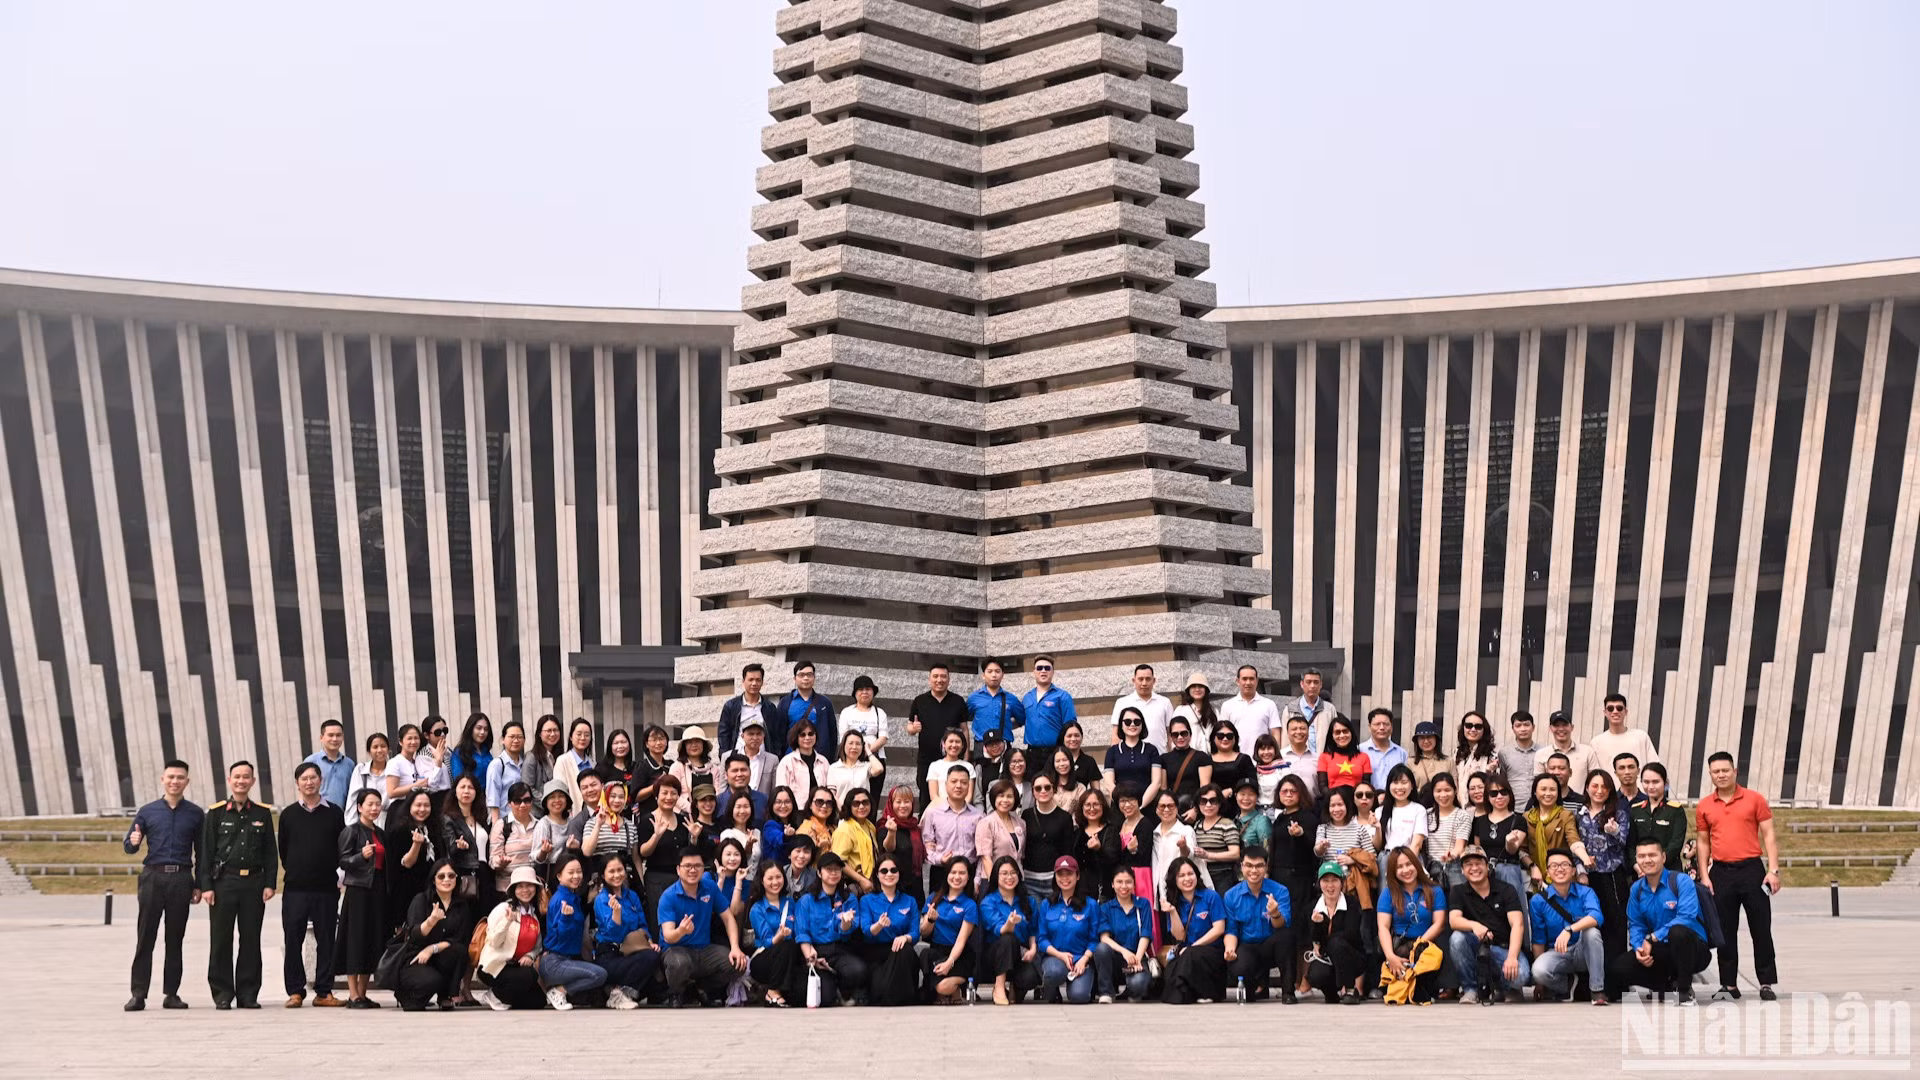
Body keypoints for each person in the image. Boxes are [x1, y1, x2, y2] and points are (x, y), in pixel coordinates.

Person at [1697, 750, 1781, 1001]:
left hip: (1752, 871)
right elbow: (1703, 843)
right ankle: (1728, 984)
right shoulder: (1704, 805)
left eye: (1725, 770)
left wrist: (1773, 870)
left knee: (1761, 928)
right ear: (1710, 775)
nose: (1721, 775)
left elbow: (1769, 836)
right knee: (1724, 930)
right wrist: (1705, 875)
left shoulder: (1754, 799)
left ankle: (1766, 982)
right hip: (1721, 872)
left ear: (1735, 771)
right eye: (1716, 771)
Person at [124, 759, 203, 1012]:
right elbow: (128, 845)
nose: (175, 781)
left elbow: (202, 852)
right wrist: (134, 841)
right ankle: (138, 994)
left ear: (187, 782)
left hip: (181, 878)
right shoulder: (147, 811)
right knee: (145, 936)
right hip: (153, 877)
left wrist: (199, 884)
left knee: (175, 938)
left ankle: (171, 993)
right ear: (162, 779)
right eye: (171, 777)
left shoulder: (195, 813)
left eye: (180, 777)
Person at [201, 760, 276, 1010]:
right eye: (237, 777)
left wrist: (270, 883)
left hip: (254, 882)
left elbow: (269, 853)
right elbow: (206, 851)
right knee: (221, 939)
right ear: (230, 780)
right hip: (224, 882)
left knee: (251, 939)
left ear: (253, 781)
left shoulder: (262, 813)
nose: (241, 781)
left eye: (246, 777)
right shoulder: (217, 812)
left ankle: (248, 993)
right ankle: (222, 993)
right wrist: (207, 886)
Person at [276, 761, 344, 1008]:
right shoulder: (289, 814)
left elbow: (341, 848)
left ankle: (324, 991)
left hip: (326, 887)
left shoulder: (334, 813)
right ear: (297, 783)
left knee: (327, 939)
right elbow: (283, 849)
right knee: (293, 939)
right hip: (295, 888)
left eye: (313, 777)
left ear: (320, 781)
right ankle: (295, 991)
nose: (309, 782)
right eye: (304, 778)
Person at [1610, 836, 1708, 1006]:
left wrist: (1652, 938)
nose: (1647, 860)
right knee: (1619, 968)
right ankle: (1668, 986)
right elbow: (1636, 924)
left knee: (1678, 931)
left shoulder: (1681, 881)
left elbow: (1686, 918)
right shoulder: (1637, 889)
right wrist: (1639, 948)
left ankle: (1684, 991)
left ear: (1663, 857)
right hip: (1661, 949)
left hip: (1692, 949)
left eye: (1652, 855)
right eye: (1641, 856)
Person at [659, 849, 749, 1004]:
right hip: (676, 949)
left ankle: (699, 988)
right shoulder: (668, 896)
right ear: (678, 870)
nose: (692, 870)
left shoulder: (710, 887)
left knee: (739, 964)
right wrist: (681, 931)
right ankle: (676, 992)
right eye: (687, 866)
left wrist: (735, 947)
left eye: (697, 866)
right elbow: (668, 935)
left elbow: (728, 918)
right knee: (679, 964)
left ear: (703, 869)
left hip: (704, 949)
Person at [1574, 768, 1635, 994]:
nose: (1599, 791)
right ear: (1587, 787)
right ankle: (1586, 984)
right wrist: (1580, 867)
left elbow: (1624, 844)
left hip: (1612, 876)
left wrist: (1614, 832)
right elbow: (1573, 843)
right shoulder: (1579, 814)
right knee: (1588, 927)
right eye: (1595, 786)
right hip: (1587, 878)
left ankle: (1615, 984)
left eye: (1604, 787)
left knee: (1615, 928)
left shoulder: (1617, 813)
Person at [1448, 845, 1530, 1004]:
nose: (1474, 868)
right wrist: (1474, 926)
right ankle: (1470, 990)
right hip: (1477, 949)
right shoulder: (1458, 891)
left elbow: (1518, 924)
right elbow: (1454, 920)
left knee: (1521, 975)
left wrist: (1512, 957)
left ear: (1487, 866)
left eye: (1478, 863)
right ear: (1463, 871)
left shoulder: (1506, 889)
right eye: (1468, 865)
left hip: (1504, 949)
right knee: (1457, 938)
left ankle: (1504, 987)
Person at [1528, 847, 1606, 1004]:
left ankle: (1597, 991)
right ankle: (1568, 985)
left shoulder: (1586, 892)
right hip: (1557, 953)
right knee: (1538, 970)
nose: (1560, 869)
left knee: (1591, 932)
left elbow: (1596, 916)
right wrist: (1540, 984)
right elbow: (1538, 939)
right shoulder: (1538, 901)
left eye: (1564, 865)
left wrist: (1570, 930)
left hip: (1582, 950)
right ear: (1547, 873)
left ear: (1573, 871)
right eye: (1554, 866)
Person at [334, 788, 387, 1008]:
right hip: (358, 891)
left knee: (372, 939)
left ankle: (364, 993)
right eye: (369, 804)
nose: (374, 808)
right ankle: (353, 994)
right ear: (359, 807)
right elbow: (343, 861)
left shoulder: (381, 832)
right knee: (355, 940)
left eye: (377, 804)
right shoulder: (352, 831)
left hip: (377, 891)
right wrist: (360, 856)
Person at [395, 860, 471, 1011]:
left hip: (438, 955)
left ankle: (445, 996)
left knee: (460, 952)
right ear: (433, 880)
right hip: (416, 957)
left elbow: (461, 939)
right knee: (417, 1002)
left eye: (451, 875)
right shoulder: (421, 900)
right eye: (441, 876)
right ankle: (406, 994)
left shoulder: (461, 906)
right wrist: (431, 921)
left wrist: (432, 948)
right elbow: (414, 935)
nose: (446, 880)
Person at [536, 852, 608, 1010]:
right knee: (599, 974)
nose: (576, 876)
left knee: (597, 992)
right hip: (555, 962)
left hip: (567, 960)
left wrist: (591, 901)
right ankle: (559, 992)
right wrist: (565, 919)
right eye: (571, 872)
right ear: (559, 876)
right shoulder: (561, 900)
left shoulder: (572, 897)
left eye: (579, 871)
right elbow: (560, 935)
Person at [1376, 846, 1446, 1006]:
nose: (1405, 870)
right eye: (1399, 867)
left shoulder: (1434, 890)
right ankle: (1406, 988)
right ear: (1393, 871)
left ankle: (1416, 989)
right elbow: (1383, 927)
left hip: (1425, 943)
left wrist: (1418, 946)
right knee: (1397, 990)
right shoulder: (1388, 893)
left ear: (1417, 864)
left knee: (1431, 955)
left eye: (1409, 864)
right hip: (1400, 945)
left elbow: (1439, 923)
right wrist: (1390, 956)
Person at [796, 851, 867, 1005]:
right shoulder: (806, 900)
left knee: (858, 970)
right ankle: (832, 987)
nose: (834, 873)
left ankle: (843, 989)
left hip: (839, 950)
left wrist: (845, 923)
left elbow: (849, 930)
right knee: (825, 999)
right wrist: (810, 956)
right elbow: (802, 933)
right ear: (819, 873)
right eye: (829, 869)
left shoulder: (849, 899)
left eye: (837, 869)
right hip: (816, 951)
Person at [472, 865, 547, 1011]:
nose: (525, 890)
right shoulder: (502, 909)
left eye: (529, 886)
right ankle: (494, 995)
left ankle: (506, 998)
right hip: (495, 966)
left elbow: (537, 946)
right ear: (513, 889)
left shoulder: (533, 915)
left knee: (538, 1001)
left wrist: (530, 956)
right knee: (529, 975)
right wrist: (507, 922)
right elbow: (494, 941)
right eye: (520, 886)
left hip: (517, 968)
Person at [590, 856, 661, 1010]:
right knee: (649, 959)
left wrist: (649, 942)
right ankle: (618, 994)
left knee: (656, 963)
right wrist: (616, 913)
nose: (617, 875)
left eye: (619, 870)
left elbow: (642, 924)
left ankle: (617, 990)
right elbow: (613, 933)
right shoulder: (601, 899)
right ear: (603, 875)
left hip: (632, 950)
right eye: (611, 871)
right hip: (610, 954)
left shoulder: (632, 896)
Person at [1223, 846, 1293, 1001]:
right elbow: (1231, 930)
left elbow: (1283, 925)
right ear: (1242, 866)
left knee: (1286, 936)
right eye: (1249, 865)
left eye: (1259, 866)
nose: (1253, 871)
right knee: (1240, 968)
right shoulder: (1231, 895)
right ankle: (1258, 986)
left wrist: (1275, 913)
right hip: (1247, 946)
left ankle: (1288, 992)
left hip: (1271, 946)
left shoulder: (1280, 891)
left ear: (1266, 866)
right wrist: (1230, 949)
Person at [1160, 856, 1227, 1004]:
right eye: (1181, 875)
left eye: (1190, 874)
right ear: (1174, 880)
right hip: (1187, 954)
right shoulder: (1174, 902)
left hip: (1211, 953)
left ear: (1197, 875)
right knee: (1173, 968)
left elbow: (1219, 929)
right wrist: (1172, 912)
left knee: (1191, 956)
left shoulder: (1211, 896)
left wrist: (1193, 947)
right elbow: (1179, 936)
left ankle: (1207, 991)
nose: (1187, 879)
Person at [978, 855, 1042, 1005]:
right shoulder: (988, 902)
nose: (1009, 877)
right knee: (1008, 938)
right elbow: (1000, 930)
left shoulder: (1028, 901)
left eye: (1013, 873)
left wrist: (1032, 949)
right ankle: (999, 986)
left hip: (1020, 955)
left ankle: (1014, 989)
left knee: (1032, 977)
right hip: (995, 956)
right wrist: (1010, 923)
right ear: (996, 876)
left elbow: (1033, 930)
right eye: (1004, 873)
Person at [859, 854, 922, 1005]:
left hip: (901, 951)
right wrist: (879, 925)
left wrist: (904, 937)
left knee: (904, 950)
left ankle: (897, 996)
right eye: (884, 871)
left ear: (899, 873)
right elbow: (866, 931)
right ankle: (901, 996)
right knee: (879, 990)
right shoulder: (866, 900)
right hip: (877, 953)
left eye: (894, 870)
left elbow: (915, 932)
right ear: (877, 875)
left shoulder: (909, 901)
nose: (889, 874)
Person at [1036, 856, 1098, 1004]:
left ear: (1077, 876)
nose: (1064, 878)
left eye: (1069, 874)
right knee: (1053, 973)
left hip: (1081, 959)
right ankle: (1051, 990)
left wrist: (1084, 959)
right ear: (1055, 877)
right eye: (1060, 874)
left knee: (1079, 997)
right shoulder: (1047, 904)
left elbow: (1094, 939)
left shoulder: (1090, 904)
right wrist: (1060, 955)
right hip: (1055, 958)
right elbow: (1042, 939)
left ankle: (1082, 983)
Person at [908, 662, 970, 806]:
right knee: (926, 797)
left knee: (954, 793)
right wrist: (913, 728)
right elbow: (910, 725)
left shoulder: (958, 701)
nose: (939, 680)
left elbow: (964, 729)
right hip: (926, 759)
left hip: (953, 758)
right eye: (935, 676)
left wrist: (966, 755)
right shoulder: (920, 701)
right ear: (929, 679)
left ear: (949, 679)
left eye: (943, 676)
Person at [1304, 859, 1366, 1004]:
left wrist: (1322, 942)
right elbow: (1312, 940)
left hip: (1352, 956)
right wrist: (1317, 925)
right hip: (1327, 959)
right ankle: (1331, 993)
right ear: (1319, 883)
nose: (1330, 886)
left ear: (1342, 883)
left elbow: (1351, 934)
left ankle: (1350, 989)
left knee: (1336, 943)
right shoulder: (1312, 907)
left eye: (1334, 880)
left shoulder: (1352, 903)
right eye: (1325, 881)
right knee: (1315, 975)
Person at [919, 856, 979, 1003]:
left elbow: (961, 940)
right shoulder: (934, 898)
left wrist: (949, 963)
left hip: (958, 955)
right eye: (953, 872)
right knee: (925, 955)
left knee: (943, 987)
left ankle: (953, 989)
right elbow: (923, 932)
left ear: (968, 877)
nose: (957, 877)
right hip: (937, 951)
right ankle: (945, 992)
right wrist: (931, 920)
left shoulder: (969, 905)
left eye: (962, 873)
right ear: (947, 875)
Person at [747, 861, 805, 1007]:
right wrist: (778, 937)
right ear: (762, 880)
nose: (775, 882)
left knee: (801, 993)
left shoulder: (790, 903)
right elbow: (765, 941)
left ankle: (779, 992)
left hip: (789, 958)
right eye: (770, 878)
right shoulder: (757, 908)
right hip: (764, 959)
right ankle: (772, 991)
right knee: (787, 945)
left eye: (778, 877)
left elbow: (799, 930)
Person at [1094, 865, 1155, 1002]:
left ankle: (1132, 988)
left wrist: (1137, 958)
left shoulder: (1143, 904)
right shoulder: (1105, 908)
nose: (1124, 886)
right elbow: (1104, 938)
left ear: (1134, 884)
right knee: (1101, 949)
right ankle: (1106, 992)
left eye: (1128, 882)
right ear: (1112, 885)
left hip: (1138, 956)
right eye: (1119, 882)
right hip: (1116, 959)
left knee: (1139, 985)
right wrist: (1124, 952)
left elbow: (1145, 934)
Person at [920, 765, 983, 897]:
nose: (958, 786)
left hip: (969, 872)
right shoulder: (933, 813)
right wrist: (939, 859)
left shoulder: (978, 816)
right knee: (937, 913)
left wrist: (977, 879)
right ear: (946, 784)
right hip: (941, 871)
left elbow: (982, 852)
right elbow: (927, 846)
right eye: (954, 781)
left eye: (964, 782)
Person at [1467, 779, 1530, 902]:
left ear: (1510, 794)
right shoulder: (1480, 821)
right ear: (1488, 797)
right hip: (1484, 871)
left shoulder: (1518, 820)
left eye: (1503, 792)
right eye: (1494, 793)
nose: (1499, 796)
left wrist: (1509, 841)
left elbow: (1512, 850)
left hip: (1509, 869)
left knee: (1512, 910)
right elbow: (1477, 850)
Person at [437, 773, 492, 914]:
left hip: (484, 871)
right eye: (462, 787)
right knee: (467, 915)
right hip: (463, 872)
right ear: (455, 791)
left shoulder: (482, 816)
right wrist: (459, 846)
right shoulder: (449, 818)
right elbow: (450, 846)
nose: (466, 791)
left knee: (484, 916)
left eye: (470, 787)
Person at [1523, 772, 1586, 890]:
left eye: (1552, 789)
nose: (1548, 793)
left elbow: (1573, 839)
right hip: (1534, 877)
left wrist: (1584, 856)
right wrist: (1532, 866)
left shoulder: (1566, 815)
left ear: (1558, 793)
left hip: (1561, 876)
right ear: (1535, 793)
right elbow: (1522, 850)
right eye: (1543, 789)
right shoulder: (1526, 817)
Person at [384, 790, 436, 927]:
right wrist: (416, 845)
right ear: (409, 806)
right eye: (418, 805)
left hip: (428, 889)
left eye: (426, 805)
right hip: (406, 890)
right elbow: (406, 863)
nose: (422, 809)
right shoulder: (400, 830)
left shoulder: (433, 828)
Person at [1631, 762, 1691, 873]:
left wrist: (1654, 866)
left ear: (1665, 783)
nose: (1650, 786)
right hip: (1641, 872)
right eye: (1646, 782)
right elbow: (1630, 844)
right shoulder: (1636, 810)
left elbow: (1675, 844)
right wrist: (1638, 866)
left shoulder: (1675, 810)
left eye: (1656, 782)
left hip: (1668, 871)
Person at [1022, 775, 1075, 900]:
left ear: (1054, 789)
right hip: (1030, 879)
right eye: (1038, 788)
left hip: (1054, 880)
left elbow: (1067, 851)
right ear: (1033, 792)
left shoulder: (1065, 817)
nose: (1043, 791)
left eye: (1047, 787)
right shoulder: (1026, 815)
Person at [580, 777, 642, 882]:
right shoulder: (592, 823)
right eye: (612, 796)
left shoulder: (630, 826)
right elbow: (586, 852)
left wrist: (641, 884)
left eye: (621, 797)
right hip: (600, 880)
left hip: (624, 881)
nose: (617, 800)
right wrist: (598, 825)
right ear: (605, 797)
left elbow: (636, 859)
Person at [771, 659, 838, 756]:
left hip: (818, 758)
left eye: (809, 675)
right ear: (795, 678)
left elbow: (832, 733)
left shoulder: (824, 703)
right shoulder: (785, 703)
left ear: (814, 677)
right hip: (791, 756)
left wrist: (829, 758)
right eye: (801, 675)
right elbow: (777, 733)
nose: (806, 678)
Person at [839, 674, 890, 798]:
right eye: (861, 689)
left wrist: (867, 751)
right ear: (855, 693)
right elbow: (843, 737)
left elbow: (883, 738)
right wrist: (857, 752)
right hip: (851, 760)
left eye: (868, 689)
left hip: (875, 759)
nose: (864, 692)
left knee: (873, 796)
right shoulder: (847, 712)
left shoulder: (879, 713)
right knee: (851, 795)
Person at [1021, 655, 1077, 765]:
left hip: (1055, 751)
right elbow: (1019, 719)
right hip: (1032, 753)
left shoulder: (1063, 696)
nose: (1043, 671)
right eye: (1039, 668)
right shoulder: (1027, 697)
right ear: (1034, 672)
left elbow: (1070, 726)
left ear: (1052, 672)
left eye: (1047, 668)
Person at [1103, 706, 1164, 807]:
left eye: (1137, 722)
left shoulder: (1151, 750)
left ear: (1142, 724)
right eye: (1127, 722)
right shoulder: (1112, 751)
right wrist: (1124, 804)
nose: (1132, 724)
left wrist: (1140, 805)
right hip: (1120, 808)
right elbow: (1109, 783)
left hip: (1147, 806)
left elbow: (1156, 782)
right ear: (1121, 725)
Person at [1590, 692, 1661, 775]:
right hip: (1610, 788)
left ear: (1626, 711)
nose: (1615, 711)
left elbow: (1655, 767)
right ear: (1605, 712)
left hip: (1639, 787)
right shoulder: (1596, 742)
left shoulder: (1640, 736)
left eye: (1619, 708)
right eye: (1610, 708)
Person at [1148, 790, 1198, 907]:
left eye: (1170, 806)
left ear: (1176, 808)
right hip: (1161, 890)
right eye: (1162, 806)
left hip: (1182, 888)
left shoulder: (1186, 830)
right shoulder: (1154, 833)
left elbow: (1190, 856)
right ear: (1156, 809)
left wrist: (1183, 847)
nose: (1166, 810)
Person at [1110, 663, 1175, 751]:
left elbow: (1171, 733)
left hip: (1160, 757)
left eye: (1148, 679)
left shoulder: (1164, 702)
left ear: (1154, 680)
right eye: (1140, 679)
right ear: (1134, 681)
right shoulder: (1122, 703)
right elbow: (1116, 735)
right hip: (1130, 759)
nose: (1144, 683)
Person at [489, 780, 540, 893]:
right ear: (509, 803)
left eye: (527, 800)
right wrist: (500, 862)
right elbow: (493, 860)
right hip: (507, 889)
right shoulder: (501, 826)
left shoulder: (539, 825)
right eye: (517, 801)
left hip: (533, 888)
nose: (522, 805)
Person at [1424, 773, 1473, 886]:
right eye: (1438, 791)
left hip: (1454, 866)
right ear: (1433, 792)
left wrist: (1452, 855)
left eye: (1447, 790)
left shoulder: (1462, 815)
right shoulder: (1426, 815)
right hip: (1431, 867)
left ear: (1455, 791)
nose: (1443, 795)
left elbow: (1460, 846)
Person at [1191, 784, 1242, 892]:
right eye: (1203, 801)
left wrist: (1209, 855)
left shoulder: (1227, 824)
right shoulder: (1197, 825)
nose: (1208, 805)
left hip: (1223, 875)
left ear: (1220, 803)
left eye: (1213, 801)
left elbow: (1235, 854)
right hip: (1201, 875)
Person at [878, 785, 925, 901]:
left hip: (915, 889)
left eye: (907, 801)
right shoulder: (884, 825)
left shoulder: (915, 827)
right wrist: (892, 832)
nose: (903, 806)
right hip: (894, 889)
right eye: (898, 802)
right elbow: (888, 849)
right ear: (891, 803)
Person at [966, 659, 1026, 749]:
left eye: (997, 671)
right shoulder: (973, 698)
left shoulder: (1011, 699)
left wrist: (1008, 724)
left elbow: (1022, 719)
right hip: (981, 745)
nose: (993, 675)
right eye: (989, 672)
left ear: (1002, 675)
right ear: (983, 675)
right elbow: (965, 717)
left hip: (1004, 745)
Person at [1074, 788, 1122, 901]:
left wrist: (1099, 849)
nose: (1092, 809)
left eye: (1096, 804)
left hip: (1102, 892)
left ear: (1103, 806)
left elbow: (1114, 860)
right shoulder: (1077, 832)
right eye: (1087, 805)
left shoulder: (1111, 831)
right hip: (1079, 890)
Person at [716, 661, 771, 756]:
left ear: (762, 682)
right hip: (737, 756)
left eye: (758, 680)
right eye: (750, 679)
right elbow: (723, 734)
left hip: (763, 757)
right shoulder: (731, 706)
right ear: (743, 681)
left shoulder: (769, 707)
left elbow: (776, 736)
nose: (754, 683)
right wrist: (725, 756)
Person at [1219, 664, 1280, 749]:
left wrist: (1275, 756)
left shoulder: (1269, 704)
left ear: (1257, 681)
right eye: (1244, 679)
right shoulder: (1227, 706)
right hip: (1236, 758)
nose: (1248, 682)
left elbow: (1275, 733)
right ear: (1237, 681)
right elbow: (1223, 734)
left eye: (1251, 679)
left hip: (1263, 758)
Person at [975, 779, 1026, 880]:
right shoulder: (986, 823)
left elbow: (1021, 855)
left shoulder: (1021, 823)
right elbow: (986, 858)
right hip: (993, 880)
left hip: (1016, 879)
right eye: (1001, 796)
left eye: (1009, 796)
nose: (1005, 800)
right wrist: (996, 883)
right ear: (994, 798)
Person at [1536, 709, 1599, 791]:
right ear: (1550, 728)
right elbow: (1539, 784)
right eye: (1556, 725)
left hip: (1580, 802)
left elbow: (1595, 780)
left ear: (1572, 727)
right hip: (1551, 802)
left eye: (1564, 725)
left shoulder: (1587, 752)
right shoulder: (1541, 754)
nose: (1561, 729)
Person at [1376, 764, 1428, 863]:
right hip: (1387, 859)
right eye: (1395, 783)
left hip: (1411, 857)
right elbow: (1378, 846)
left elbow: (1417, 844)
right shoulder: (1380, 811)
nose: (1399, 787)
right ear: (1389, 785)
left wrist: (1405, 864)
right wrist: (1377, 828)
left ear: (1412, 785)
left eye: (1404, 782)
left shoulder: (1419, 809)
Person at [831, 787, 880, 891]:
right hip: (854, 884)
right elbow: (838, 861)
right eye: (856, 804)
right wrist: (861, 880)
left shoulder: (870, 826)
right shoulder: (845, 829)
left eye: (865, 802)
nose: (861, 806)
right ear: (849, 806)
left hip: (871, 881)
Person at [386, 722, 444, 805]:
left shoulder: (416, 761)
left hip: (415, 806)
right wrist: (416, 786)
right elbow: (391, 792)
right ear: (401, 741)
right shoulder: (395, 762)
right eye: (409, 738)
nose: (413, 742)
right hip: (399, 807)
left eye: (416, 738)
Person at [1158, 719, 1210, 813]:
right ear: (1170, 736)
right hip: (1172, 809)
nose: (1180, 737)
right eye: (1175, 734)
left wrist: (1196, 810)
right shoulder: (1164, 759)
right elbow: (1163, 789)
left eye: (1184, 733)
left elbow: (1205, 788)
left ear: (1190, 734)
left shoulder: (1201, 757)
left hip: (1195, 808)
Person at [1279, 667, 1336, 752]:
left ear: (1321, 685)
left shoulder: (1329, 709)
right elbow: (1285, 738)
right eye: (1308, 682)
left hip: (1323, 760)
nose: (1312, 686)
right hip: (1298, 760)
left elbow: (1334, 736)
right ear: (1302, 684)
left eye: (1316, 682)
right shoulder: (1291, 709)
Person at [303, 718, 356, 808]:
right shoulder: (311, 762)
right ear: (321, 738)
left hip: (342, 816)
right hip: (318, 814)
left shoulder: (349, 764)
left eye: (338, 735)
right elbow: (303, 790)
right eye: (330, 735)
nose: (334, 739)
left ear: (342, 737)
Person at [775, 721, 832, 803]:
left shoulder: (823, 761)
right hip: (796, 811)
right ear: (796, 737)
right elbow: (781, 791)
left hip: (821, 809)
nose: (807, 738)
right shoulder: (786, 762)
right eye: (802, 735)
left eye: (811, 734)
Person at [826, 730, 885, 809]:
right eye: (850, 743)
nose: (854, 747)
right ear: (843, 745)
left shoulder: (866, 766)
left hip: (861, 812)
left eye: (858, 744)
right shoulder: (834, 768)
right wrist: (844, 810)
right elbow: (831, 794)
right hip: (840, 814)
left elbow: (879, 769)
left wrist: (868, 750)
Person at [1315, 715, 1369, 799]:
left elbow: (1366, 785)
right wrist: (1336, 799)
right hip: (1333, 803)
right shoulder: (1324, 757)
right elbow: (1322, 786)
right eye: (1337, 732)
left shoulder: (1363, 757)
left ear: (1351, 733)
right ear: (1331, 735)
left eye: (1345, 731)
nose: (1342, 735)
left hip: (1356, 802)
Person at [484, 719, 526, 821]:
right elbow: (493, 798)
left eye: (519, 737)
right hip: (503, 820)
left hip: (521, 820)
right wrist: (496, 825)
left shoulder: (524, 764)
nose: (516, 740)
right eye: (511, 737)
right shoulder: (497, 765)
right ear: (503, 739)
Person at [529, 781, 572, 877]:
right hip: (551, 874)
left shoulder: (572, 821)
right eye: (552, 797)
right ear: (546, 802)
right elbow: (535, 857)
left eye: (561, 796)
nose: (557, 800)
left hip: (570, 872)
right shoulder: (544, 824)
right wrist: (543, 852)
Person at [1501, 711, 1540, 811]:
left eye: (1526, 725)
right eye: (1518, 726)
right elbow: (1502, 780)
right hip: (1513, 807)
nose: (1523, 729)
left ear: (1533, 727)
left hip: (1539, 807)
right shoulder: (1504, 753)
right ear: (1513, 729)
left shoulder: (1543, 752)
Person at [1359, 707, 1408, 789]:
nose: (1382, 728)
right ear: (1369, 727)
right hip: (1369, 799)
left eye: (1386, 724)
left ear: (1391, 727)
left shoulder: (1401, 753)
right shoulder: (1360, 750)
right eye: (1377, 724)